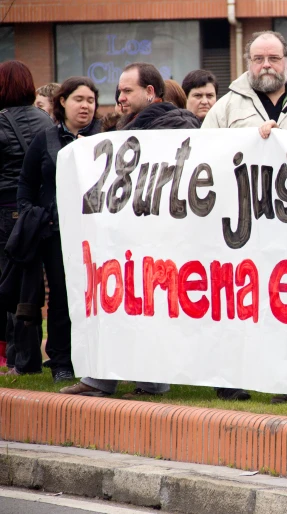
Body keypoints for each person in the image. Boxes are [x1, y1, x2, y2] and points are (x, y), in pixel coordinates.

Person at [59, 63, 199, 399]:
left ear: (150, 93)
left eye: (127, 91)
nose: (119, 98)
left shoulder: (166, 131)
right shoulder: (134, 130)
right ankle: (140, 382)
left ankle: (115, 381)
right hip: (136, 241)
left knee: (141, 308)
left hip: (154, 241)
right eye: (119, 91)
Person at [15, 77, 102, 383]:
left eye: (91, 100)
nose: (86, 106)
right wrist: (30, 212)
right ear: (62, 101)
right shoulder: (46, 138)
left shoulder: (104, 137)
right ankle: (61, 360)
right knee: (63, 296)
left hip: (96, 234)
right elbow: (26, 182)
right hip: (56, 233)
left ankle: (95, 359)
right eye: (79, 99)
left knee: (96, 296)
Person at [0, 61, 53, 375]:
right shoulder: (46, 119)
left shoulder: (1, 122)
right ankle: (28, 358)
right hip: (37, 213)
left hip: (7, 210)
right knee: (31, 285)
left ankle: (20, 359)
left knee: (9, 284)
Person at [203, 31, 287, 131]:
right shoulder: (225, 107)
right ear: (249, 63)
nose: (266, 65)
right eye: (258, 59)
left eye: (274, 58)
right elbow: (205, 144)